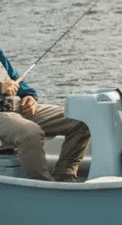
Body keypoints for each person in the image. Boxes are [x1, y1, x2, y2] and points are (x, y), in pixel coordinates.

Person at [0, 48, 91, 181]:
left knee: (81, 118)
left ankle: (64, 178)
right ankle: (41, 185)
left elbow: (15, 78)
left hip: (17, 106)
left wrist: (29, 96)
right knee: (30, 132)